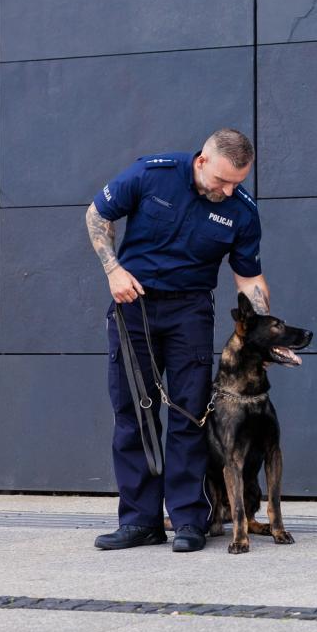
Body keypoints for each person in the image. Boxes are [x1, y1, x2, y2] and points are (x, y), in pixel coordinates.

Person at [85, 129, 270, 553]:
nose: (227, 190)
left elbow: (249, 279)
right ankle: (139, 522)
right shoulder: (153, 174)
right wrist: (113, 270)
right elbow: (97, 215)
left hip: (190, 312)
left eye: (237, 183)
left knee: (191, 416)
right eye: (222, 180)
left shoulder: (242, 211)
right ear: (202, 160)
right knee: (133, 413)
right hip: (135, 305)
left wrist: (258, 335)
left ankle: (190, 520)